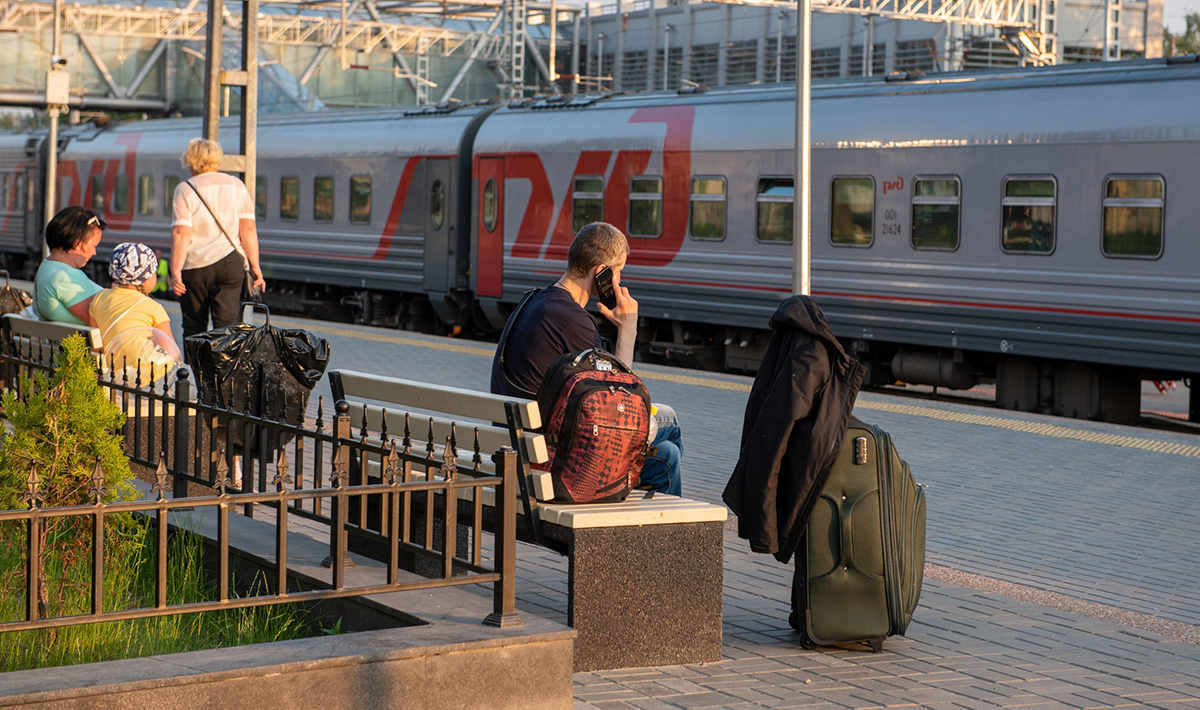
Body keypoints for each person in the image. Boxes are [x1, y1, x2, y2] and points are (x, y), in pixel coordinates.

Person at [489, 221, 682, 496]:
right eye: (618, 273)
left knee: (666, 451)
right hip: (549, 459)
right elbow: (621, 409)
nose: (619, 282)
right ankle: (648, 527)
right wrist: (628, 329)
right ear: (601, 273)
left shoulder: (533, 301)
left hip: (518, 443)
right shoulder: (573, 321)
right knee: (669, 432)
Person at [169, 137, 266, 340]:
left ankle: (197, 371)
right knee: (227, 327)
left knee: (194, 327)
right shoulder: (236, 185)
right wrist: (255, 267)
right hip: (230, 264)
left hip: (195, 266)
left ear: (190, 160)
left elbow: (181, 233)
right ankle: (224, 371)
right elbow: (248, 229)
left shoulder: (185, 189)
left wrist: (175, 270)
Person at [90, 242, 181, 386]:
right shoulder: (153, 307)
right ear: (146, 277)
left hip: (112, 372)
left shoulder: (99, 298)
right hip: (144, 375)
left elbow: (96, 345)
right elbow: (172, 352)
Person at [33, 206, 105, 326]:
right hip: (81, 344)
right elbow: (103, 320)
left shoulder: (46, 268)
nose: (94, 252)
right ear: (77, 244)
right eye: (94, 246)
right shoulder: (66, 277)